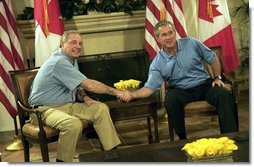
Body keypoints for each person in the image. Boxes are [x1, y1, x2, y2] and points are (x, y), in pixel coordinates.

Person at [122, 20, 238, 140]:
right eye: (164, 35)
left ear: (175, 33)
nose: (169, 37)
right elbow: (149, 88)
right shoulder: (157, 63)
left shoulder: (191, 43)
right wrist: (132, 94)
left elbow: (213, 58)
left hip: (204, 85)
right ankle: (182, 139)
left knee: (224, 94)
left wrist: (217, 77)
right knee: (170, 101)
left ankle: (230, 138)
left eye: (171, 33)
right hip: (180, 90)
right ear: (157, 38)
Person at [28, 30, 130, 162]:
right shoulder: (59, 62)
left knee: (100, 108)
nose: (78, 46)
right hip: (44, 110)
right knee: (73, 124)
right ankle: (63, 162)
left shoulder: (71, 60)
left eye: (80, 43)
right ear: (62, 44)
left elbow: (78, 86)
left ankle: (111, 155)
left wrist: (85, 97)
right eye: (73, 42)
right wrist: (115, 91)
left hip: (67, 106)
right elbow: (89, 85)